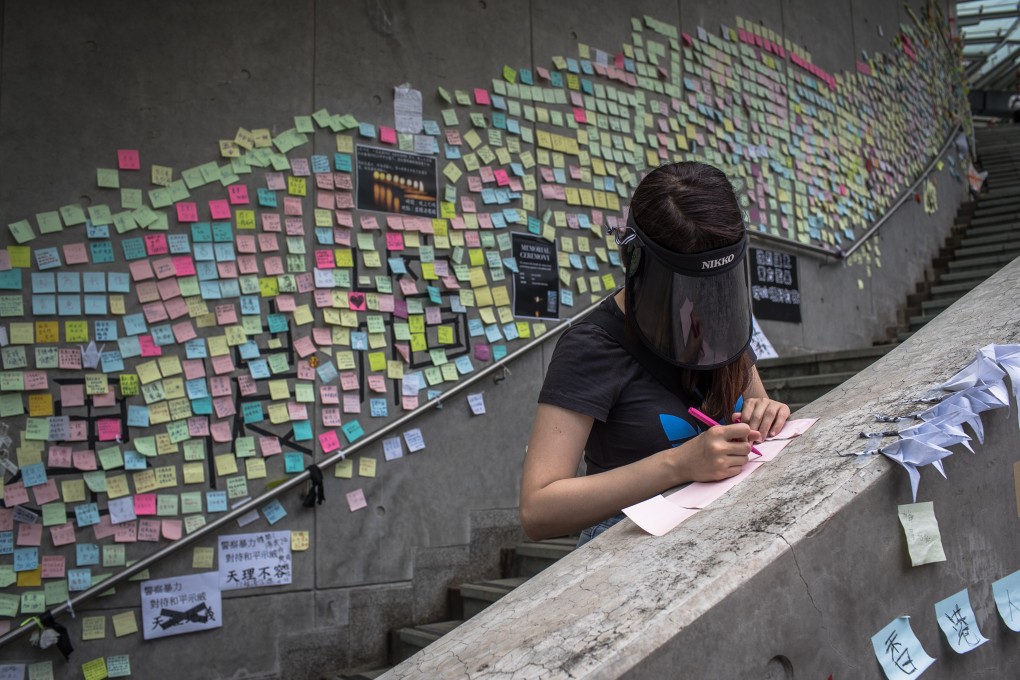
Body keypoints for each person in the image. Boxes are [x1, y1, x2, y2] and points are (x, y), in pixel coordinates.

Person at [520, 162, 790, 545]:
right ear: (634, 261)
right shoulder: (592, 346)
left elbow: (756, 414)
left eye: (714, 286)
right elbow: (537, 509)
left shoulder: (721, 313)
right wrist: (678, 464)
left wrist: (767, 414)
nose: (700, 305)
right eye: (687, 287)